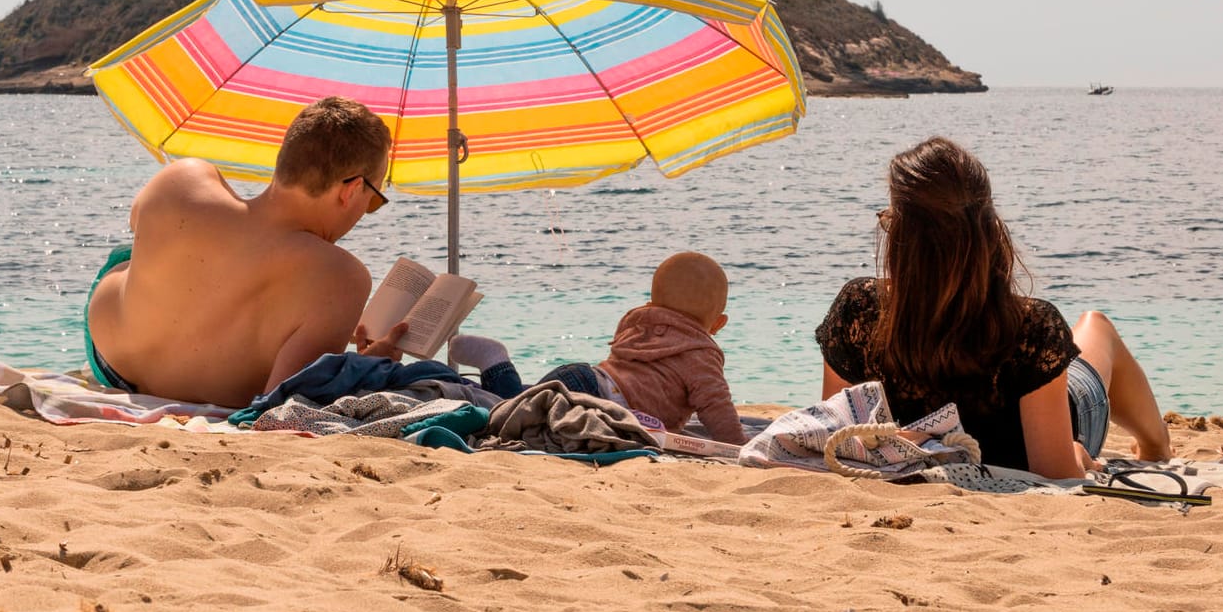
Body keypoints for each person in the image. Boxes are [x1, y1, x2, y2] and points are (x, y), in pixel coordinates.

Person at [814, 136, 1172, 479]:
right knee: (1096, 328)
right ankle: (1156, 445)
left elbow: (837, 435)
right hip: (1050, 424)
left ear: (902, 234)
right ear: (987, 231)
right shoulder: (1034, 326)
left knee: (1092, 333)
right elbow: (1056, 473)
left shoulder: (858, 309)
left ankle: (1155, 443)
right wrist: (1078, 454)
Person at [84, 96, 407, 408]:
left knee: (137, 252)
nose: (368, 209)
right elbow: (286, 398)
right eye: (373, 200)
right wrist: (365, 366)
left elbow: (140, 224)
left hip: (109, 359)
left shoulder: (182, 178)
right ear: (350, 190)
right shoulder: (344, 275)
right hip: (214, 395)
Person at [449, 251, 748, 446]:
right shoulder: (701, 350)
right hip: (598, 399)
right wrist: (737, 444)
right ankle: (496, 364)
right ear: (719, 323)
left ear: (652, 303)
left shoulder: (639, 319)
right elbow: (715, 404)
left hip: (587, 377)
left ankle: (489, 373)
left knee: (522, 406)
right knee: (515, 413)